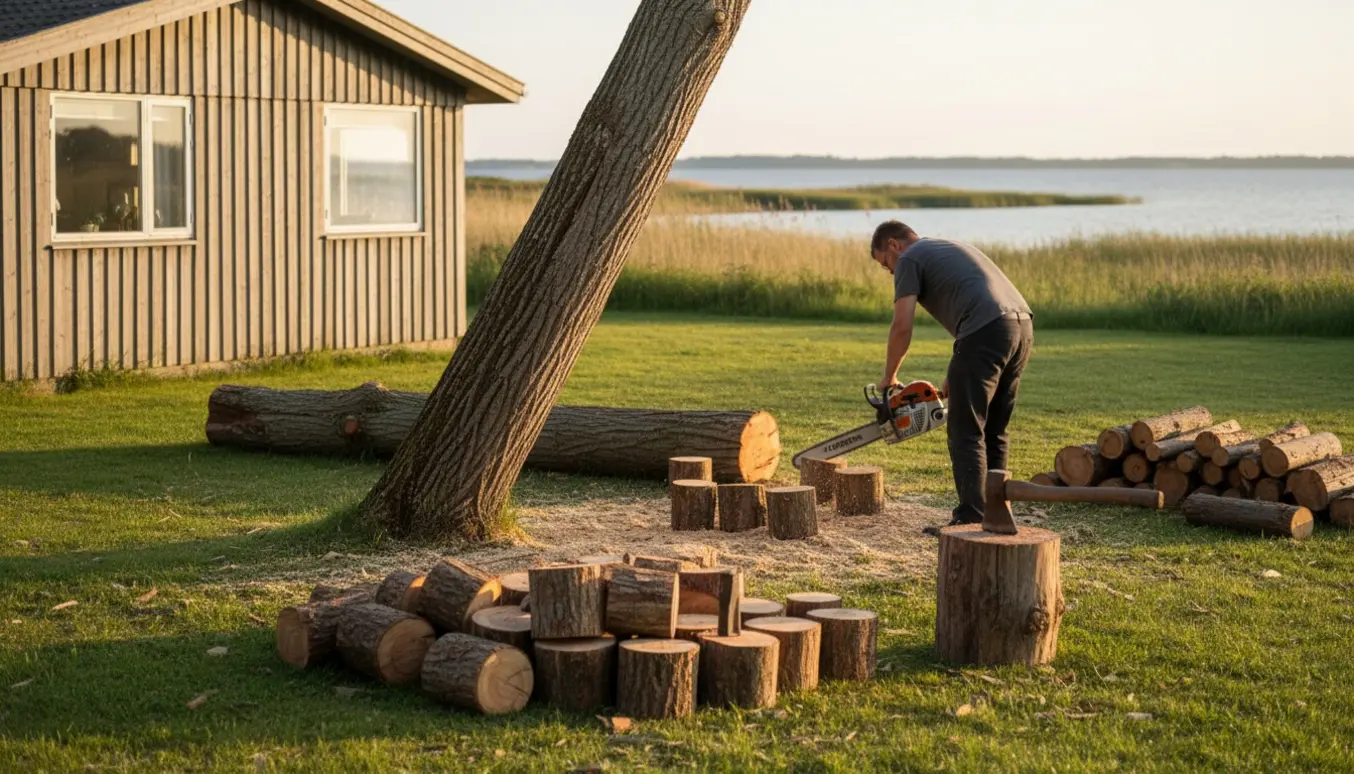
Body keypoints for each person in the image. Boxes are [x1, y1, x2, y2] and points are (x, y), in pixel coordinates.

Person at [869, 221, 1034, 534]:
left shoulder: (909, 258)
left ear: (893, 245)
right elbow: (973, 304)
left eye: (885, 264)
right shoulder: (947, 247)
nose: (890, 271)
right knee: (994, 429)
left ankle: (971, 517)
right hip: (1021, 327)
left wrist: (889, 378)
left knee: (965, 428)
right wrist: (956, 371)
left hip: (987, 330)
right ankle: (996, 513)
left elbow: (902, 325)